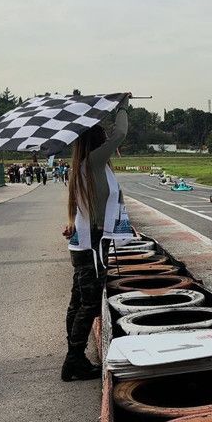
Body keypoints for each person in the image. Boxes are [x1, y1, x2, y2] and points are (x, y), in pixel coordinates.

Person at [61, 100, 129, 382]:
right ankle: (73, 360)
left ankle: (74, 356)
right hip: (93, 243)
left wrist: (70, 223)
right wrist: (123, 105)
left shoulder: (81, 166)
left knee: (78, 300)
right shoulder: (94, 162)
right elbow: (120, 133)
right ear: (97, 141)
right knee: (88, 304)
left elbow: (79, 207)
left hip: (84, 241)